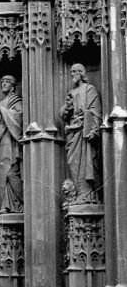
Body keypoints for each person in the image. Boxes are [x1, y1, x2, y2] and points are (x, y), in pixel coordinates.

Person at [61, 63, 102, 202]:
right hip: (73, 133)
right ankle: (78, 194)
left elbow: (95, 111)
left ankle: (87, 194)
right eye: (71, 72)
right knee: (72, 162)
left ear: (81, 73)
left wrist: (93, 129)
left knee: (86, 163)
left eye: (75, 72)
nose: (72, 74)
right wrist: (67, 108)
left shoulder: (90, 89)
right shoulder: (71, 93)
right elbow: (64, 115)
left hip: (84, 132)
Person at [0, 75, 23, 213]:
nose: (3, 84)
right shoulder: (0, 103)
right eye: (2, 82)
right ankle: (5, 204)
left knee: (9, 172)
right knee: (2, 172)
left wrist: (4, 112)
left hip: (10, 141)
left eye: (7, 82)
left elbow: (19, 118)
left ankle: (16, 204)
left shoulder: (15, 101)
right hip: (1, 143)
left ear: (13, 86)